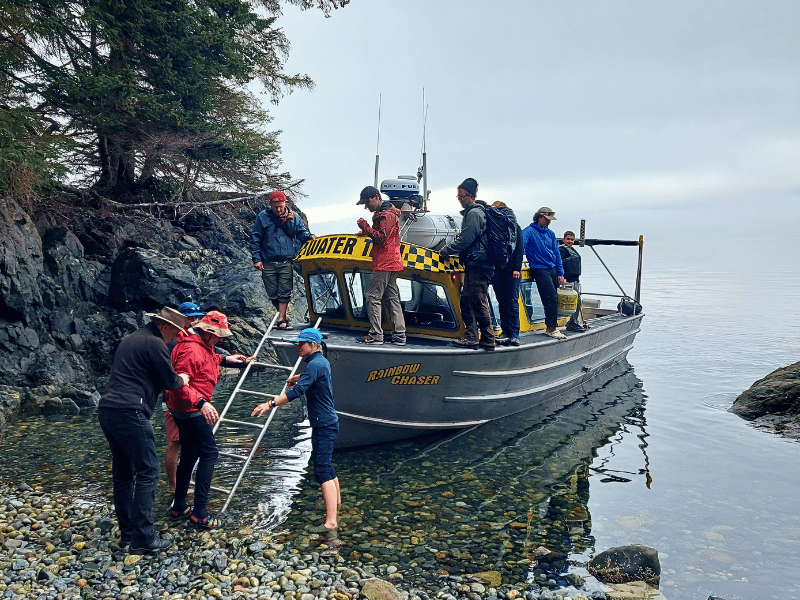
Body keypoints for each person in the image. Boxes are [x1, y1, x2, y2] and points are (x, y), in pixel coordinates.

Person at [98, 306, 190, 554]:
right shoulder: (155, 343)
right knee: (149, 471)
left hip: (108, 409)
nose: (176, 337)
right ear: (165, 326)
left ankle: (128, 535)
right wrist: (184, 378)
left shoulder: (133, 339)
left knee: (123, 474)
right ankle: (144, 538)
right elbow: (171, 382)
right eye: (175, 332)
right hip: (131, 412)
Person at [165, 311, 253, 529]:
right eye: (218, 335)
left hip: (184, 410)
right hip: (192, 409)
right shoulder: (192, 349)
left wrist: (228, 360)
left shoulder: (199, 345)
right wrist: (202, 403)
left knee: (189, 455)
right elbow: (180, 384)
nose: (221, 339)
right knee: (209, 454)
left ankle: (179, 506)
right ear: (206, 331)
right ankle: (200, 514)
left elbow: (209, 358)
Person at [251, 328, 340, 530]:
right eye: (298, 343)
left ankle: (331, 522)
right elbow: (311, 376)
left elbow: (298, 392)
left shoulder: (315, 364)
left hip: (324, 425)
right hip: (326, 422)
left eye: (302, 343)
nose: (298, 346)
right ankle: (338, 506)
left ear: (314, 345)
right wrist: (298, 377)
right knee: (326, 465)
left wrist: (270, 404)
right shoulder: (320, 363)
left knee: (322, 471)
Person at [438, 178, 495, 350]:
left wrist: (446, 250)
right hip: (476, 263)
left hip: (479, 263)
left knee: (477, 300)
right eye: (458, 197)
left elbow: (466, 239)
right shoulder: (476, 213)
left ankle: (487, 337)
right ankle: (472, 337)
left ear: (470, 196)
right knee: (467, 300)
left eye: (461, 196)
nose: (459, 199)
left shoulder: (475, 214)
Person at [250, 190, 315, 330]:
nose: (279, 209)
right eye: (276, 207)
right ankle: (282, 316)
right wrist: (257, 259)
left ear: (286, 203)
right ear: (270, 205)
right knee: (272, 292)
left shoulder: (294, 217)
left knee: (285, 291)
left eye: (281, 206)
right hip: (268, 260)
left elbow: (301, 233)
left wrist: (309, 237)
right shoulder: (262, 217)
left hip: (286, 260)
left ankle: (281, 319)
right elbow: (255, 238)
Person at [162, 301, 206, 496]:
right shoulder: (174, 341)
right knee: (176, 442)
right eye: (190, 317)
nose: (194, 320)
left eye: (196, 317)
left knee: (186, 442)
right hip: (174, 398)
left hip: (188, 397)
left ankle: (183, 479)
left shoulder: (191, 338)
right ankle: (174, 485)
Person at [355, 185, 407, 345]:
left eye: (367, 202)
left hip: (385, 261)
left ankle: (376, 334)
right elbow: (385, 235)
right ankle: (400, 335)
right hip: (392, 261)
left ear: (377, 197)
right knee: (392, 297)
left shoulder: (387, 215)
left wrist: (365, 227)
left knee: (372, 296)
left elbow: (382, 238)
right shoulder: (388, 214)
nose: (366, 206)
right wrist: (367, 231)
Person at [521, 207, 566, 339]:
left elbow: (557, 253)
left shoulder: (550, 234)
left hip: (552, 269)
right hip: (539, 269)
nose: (548, 222)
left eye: (549, 220)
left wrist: (560, 273)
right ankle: (551, 328)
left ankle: (552, 326)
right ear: (539, 217)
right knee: (550, 297)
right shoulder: (528, 232)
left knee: (554, 298)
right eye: (546, 219)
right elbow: (521, 248)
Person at [489, 201, 524, 346]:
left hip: (511, 270)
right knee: (502, 302)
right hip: (498, 269)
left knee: (512, 302)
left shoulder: (515, 227)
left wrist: (516, 268)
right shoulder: (493, 228)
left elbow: (519, 249)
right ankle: (505, 330)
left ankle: (514, 334)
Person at [559, 231, 587, 333]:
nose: (570, 241)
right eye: (568, 239)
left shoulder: (572, 250)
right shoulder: (562, 250)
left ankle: (573, 321)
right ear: (564, 240)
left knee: (577, 302)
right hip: (568, 280)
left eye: (572, 239)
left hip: (575, 279)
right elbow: (559, 264)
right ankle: (571, 323)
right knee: (574, 302)